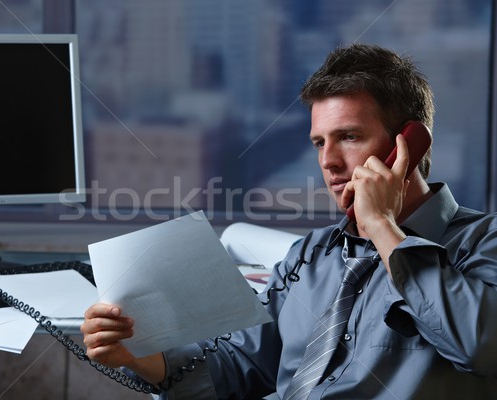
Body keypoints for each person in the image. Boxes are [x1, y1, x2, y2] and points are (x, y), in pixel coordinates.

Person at [81, 43, 497, 399]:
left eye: (349, 137)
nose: (328, 162)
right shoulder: (309, 256)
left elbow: (482, 347)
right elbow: (240, 367)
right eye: (319, 142)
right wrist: (139, 357)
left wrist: (383, 228)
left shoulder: (483, 242)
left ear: (406, 144)